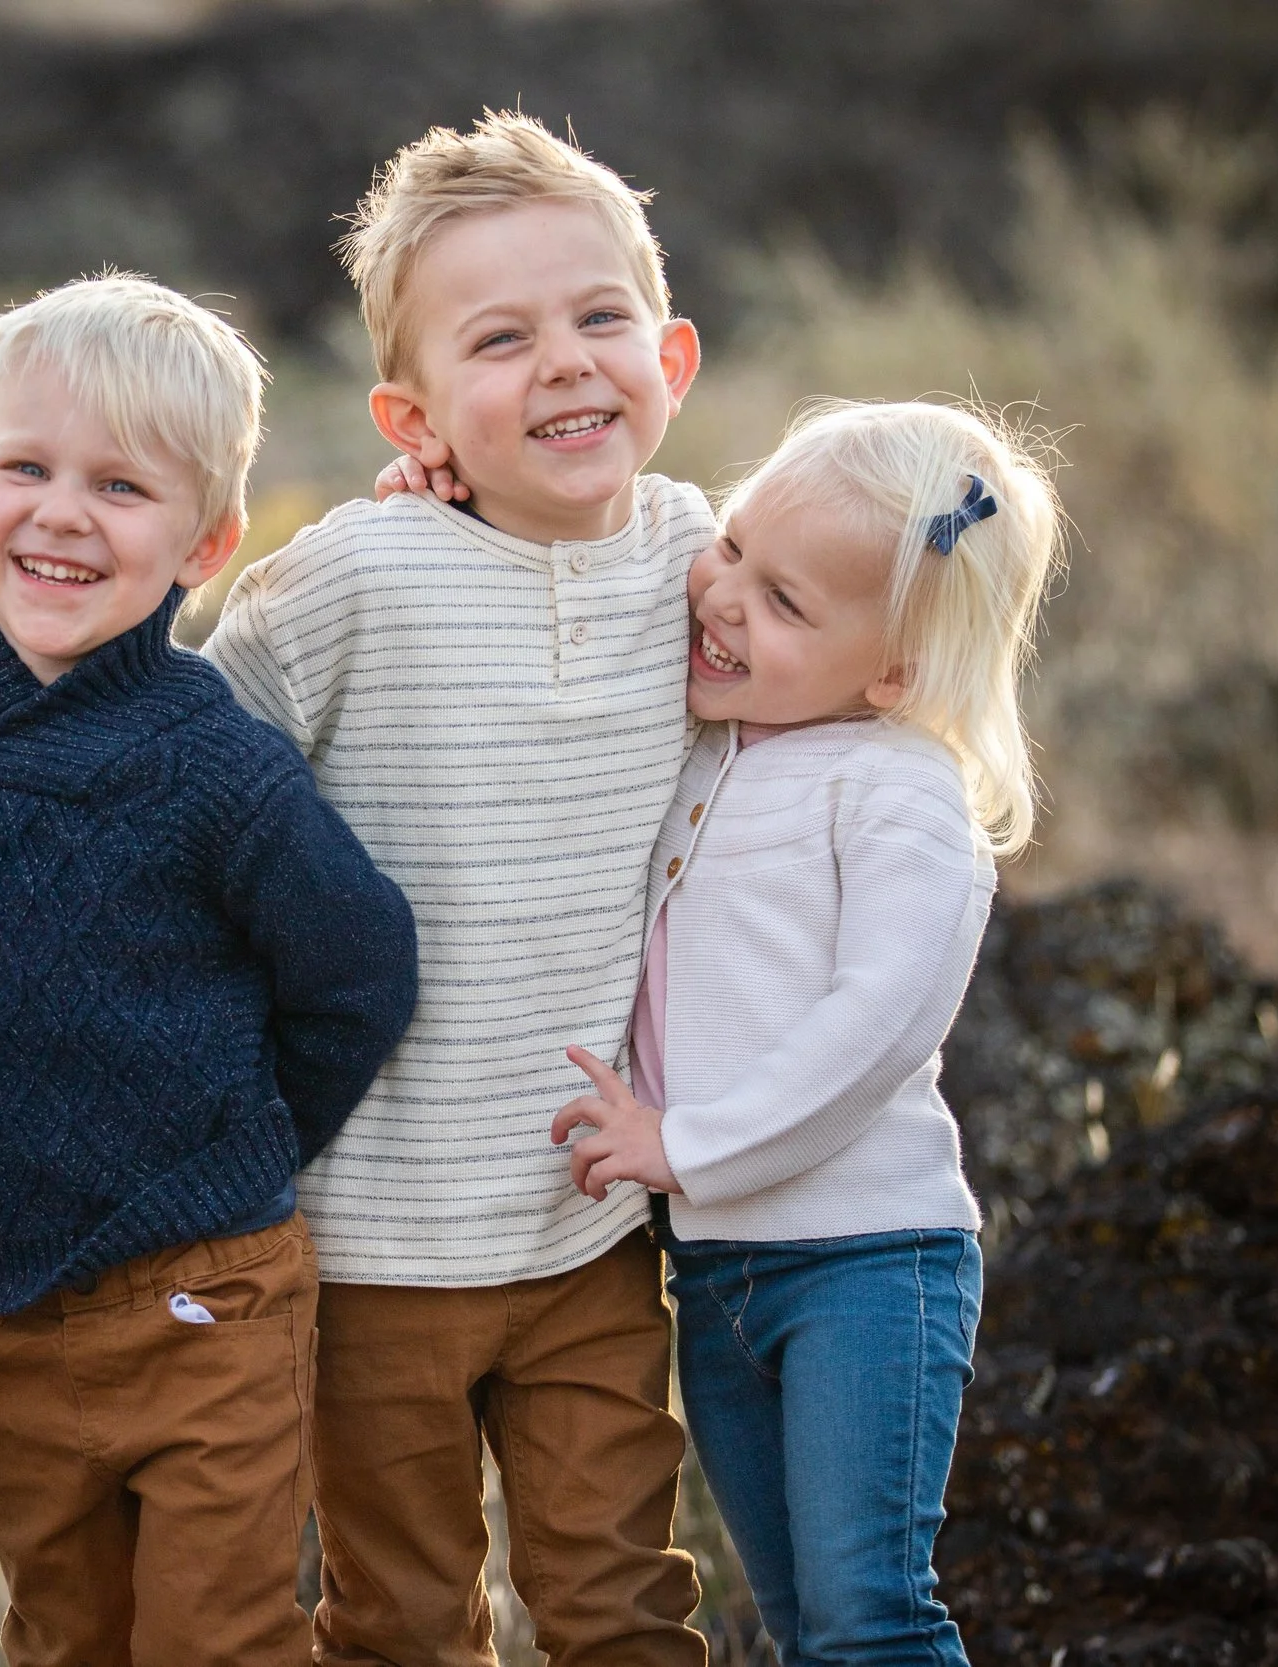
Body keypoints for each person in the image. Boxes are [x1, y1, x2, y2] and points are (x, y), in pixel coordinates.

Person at [0, 274, 418, 1667]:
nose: (63, 512)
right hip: (3, 1303)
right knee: (64, 1634)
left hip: (206, 1299)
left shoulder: (218, 767)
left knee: (216, 1636)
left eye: (122, 485)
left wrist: (246, 1148)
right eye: (27, 468)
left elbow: (360, 971)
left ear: (205, 539)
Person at [204, 111, 714, 1666]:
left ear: (673, 360)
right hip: (368, 1245)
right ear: (411, 410)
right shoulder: (351, 576)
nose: (565, 361)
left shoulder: (703, 550)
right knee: (406, 1620)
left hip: (586, 1224)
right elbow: (183, 776)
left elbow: (860, 608)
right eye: (500, 340)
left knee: (622, 1601)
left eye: (600, 318)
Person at [555, 398, 1063, 1666]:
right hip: (719, 1267)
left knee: (866, 1614)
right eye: (730, 545)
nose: (722, 596)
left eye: (784, 603)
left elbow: (876, 1027)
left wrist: (689, 1141)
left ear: (891, 673)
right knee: (793, 1622)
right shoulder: (707, 740)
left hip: (866, 1263)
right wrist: (434, 500)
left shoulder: (898, 793)